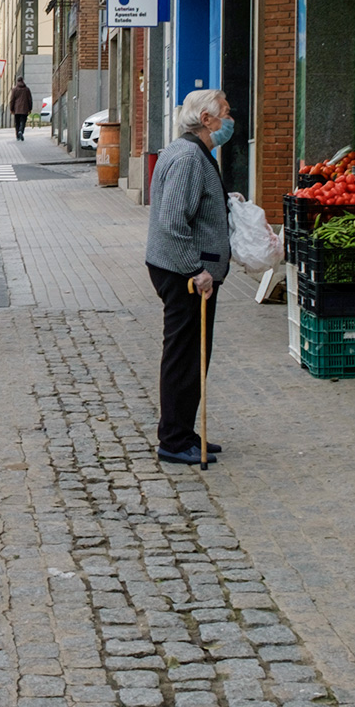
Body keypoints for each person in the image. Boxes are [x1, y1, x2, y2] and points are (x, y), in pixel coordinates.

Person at [145, 88, 233, 465]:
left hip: (187, 270)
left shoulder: (193, 153)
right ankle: (174, 440)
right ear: (207, 119)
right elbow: (172, 221)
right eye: (225, 112)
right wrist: (197, 271)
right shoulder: (187, 158)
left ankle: (183, 430)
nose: (230, 119)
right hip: (183, 273)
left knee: (194, 354)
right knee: (184, 356)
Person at [9, 77, 34, 141]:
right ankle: (21, 131)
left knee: (17, 123)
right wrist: (30, 108)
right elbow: (30, 100)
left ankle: (17, 135)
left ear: (17, 81)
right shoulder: (27, 89)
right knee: (23, 121)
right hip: (25, 109)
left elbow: (12, 100)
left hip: (16, 110)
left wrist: (11, 109)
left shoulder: (14, 89)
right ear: (23, 81)